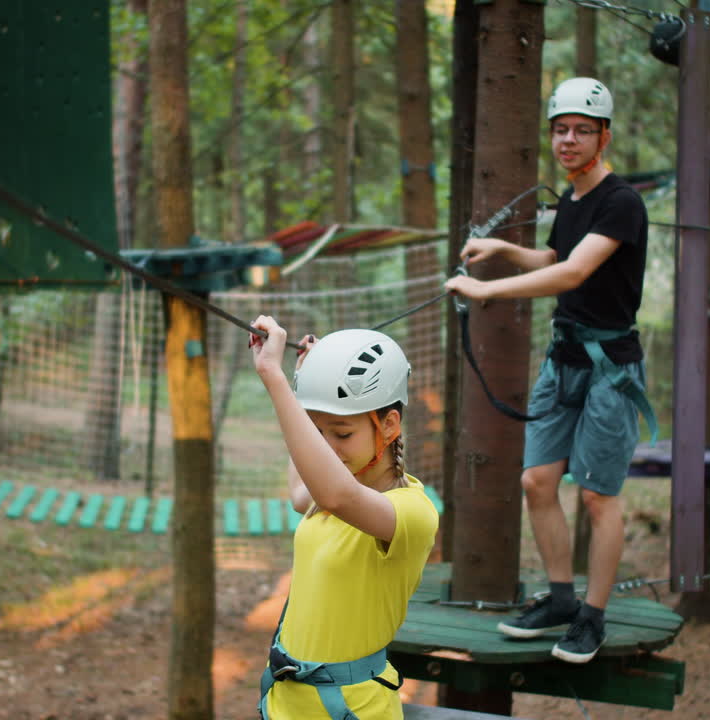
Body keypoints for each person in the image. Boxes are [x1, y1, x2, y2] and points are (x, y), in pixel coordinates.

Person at [443, 77, 650, 664]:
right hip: (563, 362)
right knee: (537, 481)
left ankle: (593, 616)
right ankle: (561, 601)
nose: (569, 140)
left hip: (610, 366)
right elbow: (554, 258)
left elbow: (572, 276)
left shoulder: (621, 202)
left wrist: (490, 292)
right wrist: (503, 252)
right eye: (561, 129)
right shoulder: (573, 202)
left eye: (583, 130)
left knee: (596, 497)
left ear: (604, 136)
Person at [249, 319, 440, 719]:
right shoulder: (323, 497)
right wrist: (303, 381)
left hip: (352, 709)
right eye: (317, 433)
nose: (327, 447)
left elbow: (338, 495)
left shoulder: (410, 513)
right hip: (287, 703)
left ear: (389, 425)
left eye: (341, 433)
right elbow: (304, 494)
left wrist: (276, 379)